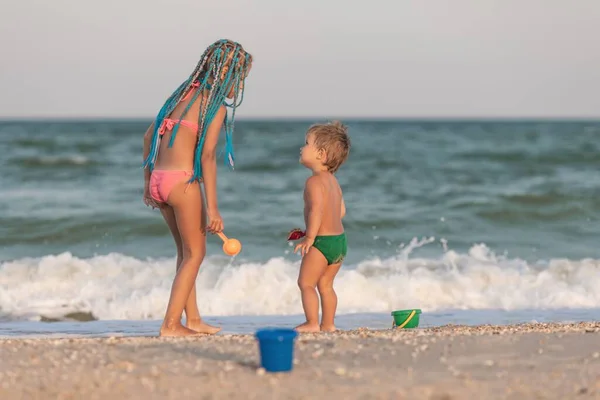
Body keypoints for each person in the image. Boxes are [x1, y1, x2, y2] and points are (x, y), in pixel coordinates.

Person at [141, 39, 253, 337]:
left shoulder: (180, 98)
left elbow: (147, 138)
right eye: (239, 79)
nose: (238, 87)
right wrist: (213, 208)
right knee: (196, 255)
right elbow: (207, 158)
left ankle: (192, 319)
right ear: (226, 75)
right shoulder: (213, 108)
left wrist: (146, 184)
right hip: (182, 182)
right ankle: (170, 325)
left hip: (159, 180)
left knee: (184, 253)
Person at [292, 121, 351, 333]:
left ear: (321, 154)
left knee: (306, 283)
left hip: (322, 241)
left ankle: (311, 323)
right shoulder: (333, 182)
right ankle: (329, 324)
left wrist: (309, 237)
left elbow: (316, 210)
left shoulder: (313, 182)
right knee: (326, 285)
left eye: (307, 143)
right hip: (339, 242)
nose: (302, 148)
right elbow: (342, 211)